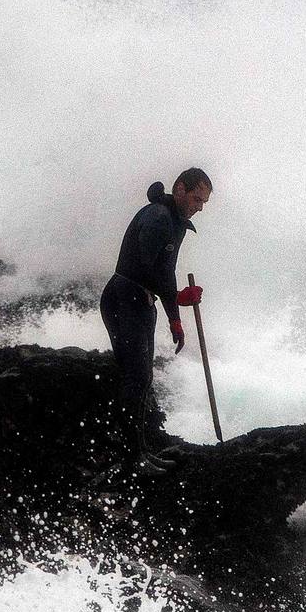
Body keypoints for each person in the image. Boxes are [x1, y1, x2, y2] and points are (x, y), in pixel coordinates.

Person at [100, 168, 211, 474]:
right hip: (125, 298)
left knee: (142, 377)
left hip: (140, 301)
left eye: (203, 202)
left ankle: (140, 452)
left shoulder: (175, 222)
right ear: (179, 189)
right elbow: (150, 269)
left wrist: (176, 308)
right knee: (136, 377)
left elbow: (164, 273)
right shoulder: (158, 217)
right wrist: (176, 303)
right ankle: (131, 458)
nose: (199, 207)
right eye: (196, 198)